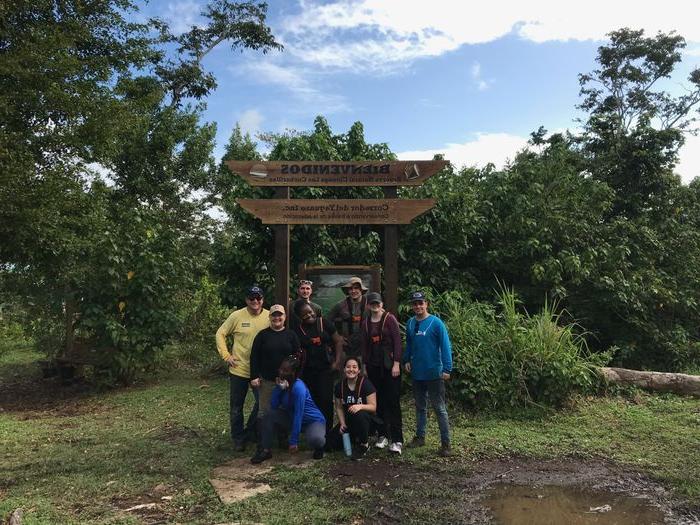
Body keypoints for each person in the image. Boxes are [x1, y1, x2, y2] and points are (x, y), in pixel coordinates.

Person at [216, 285, 270, 451]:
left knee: (262, 404)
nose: (255, 301)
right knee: (236, 407)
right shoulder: (237, 316)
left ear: (263, 299)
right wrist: (226, 355)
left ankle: (250, 431)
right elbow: (220, 333)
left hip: (259, 371)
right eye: (251, 298)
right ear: (246, 300)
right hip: (239, 369)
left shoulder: (269, 316)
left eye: (258, 298)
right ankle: (238, 438)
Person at [402, 291, 454, 457]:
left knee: (439, 408)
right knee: (420, 407)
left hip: (434, 373)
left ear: (426, 304)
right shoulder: (410, 323)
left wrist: (447, 368)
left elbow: (445, 346)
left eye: (421, 303)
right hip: (417, 372)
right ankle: (420, 436)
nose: (418, 306)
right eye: (415, 303)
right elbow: (409, 343)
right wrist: (406, 360)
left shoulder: (436, 323)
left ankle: (446, 443)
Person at [251, 355, 326, 464]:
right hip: (291, 417)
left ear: (293, 372)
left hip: (311, 421)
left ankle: (319, 447)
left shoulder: (298, 388)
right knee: (268, 415)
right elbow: (274, 406)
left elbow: (298, 414)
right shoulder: (282, 384)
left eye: (285, 370)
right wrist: (279, 389)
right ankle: (265, 449)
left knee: (316, 440)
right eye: (281, 369)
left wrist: (294, 441)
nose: (281, 372)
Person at [249, 304, 301, 455]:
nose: (277, 318)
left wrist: (293, 379)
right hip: (267, 381)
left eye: (280, 315)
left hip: (286, 382)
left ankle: (282, 439)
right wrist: (254, 376)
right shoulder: (262, 335)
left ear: (284, 317)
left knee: (282, 409)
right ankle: (263, 442)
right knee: (264, 411)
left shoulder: (291, 335)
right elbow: (254, 357)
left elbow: (298, 357)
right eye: (274, 315)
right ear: (269, 317)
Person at [360, 292, 404, 455]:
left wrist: (397, 364)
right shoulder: (365, 323)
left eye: (377, 303)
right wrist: (364, 367)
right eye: (372, 303)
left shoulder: (389, 319)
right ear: (368, 305)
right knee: (378, 402)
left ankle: (397, 439)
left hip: (390, 367)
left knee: (392, 402)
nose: (375, 306)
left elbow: (398, 343)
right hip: (373, 367)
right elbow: (364, 346)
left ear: (382, 304)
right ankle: (383, 435)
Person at [293, 301, 344, 436]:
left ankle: (327, 432)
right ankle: (315, 431)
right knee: (313, 401)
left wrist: (338, 361)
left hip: (325, 369)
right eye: (305, 314)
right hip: (308, 371)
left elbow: (338, 340)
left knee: (326, 400)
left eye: (310, 311)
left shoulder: (324, 323)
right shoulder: (298, 330)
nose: (309, 315)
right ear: (299, 316)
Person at [333, 356, 377, 460]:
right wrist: (342, 423)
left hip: (367, 420)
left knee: (359, 414)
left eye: (354, 367)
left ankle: (364, 444)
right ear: (344, 369)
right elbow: (339, 407)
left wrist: (359, 406)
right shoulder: (339, 386)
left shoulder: (366, 383)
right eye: (348, 367)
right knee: (330, 444)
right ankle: (353, 439)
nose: (351, 369)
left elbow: (373, 407)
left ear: (359, 370)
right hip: (349, 420)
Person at [328, 276, 369, 358]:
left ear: (361, 289)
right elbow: (328, 321)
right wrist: (338, 337)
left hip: (365, 345)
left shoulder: (369, 305)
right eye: (350, 288)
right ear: (347, 291)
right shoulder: (340, 305)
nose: (353, 291)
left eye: (356, 288)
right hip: (346, 345)